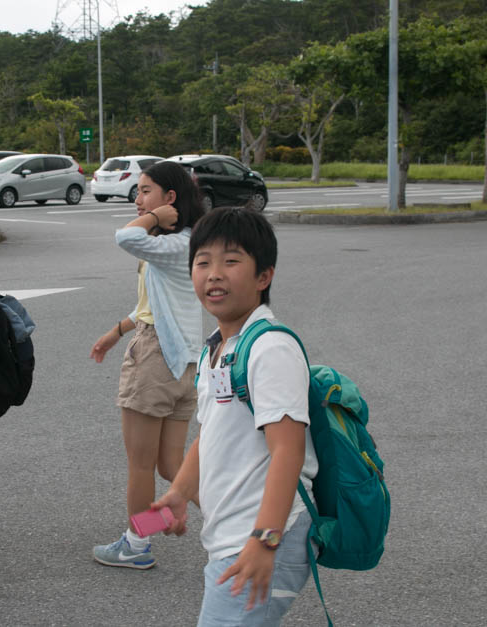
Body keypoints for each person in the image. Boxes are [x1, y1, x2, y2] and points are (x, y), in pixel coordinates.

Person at [152, 207, 319, 625]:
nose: (214, 274)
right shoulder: (221, 346)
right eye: (203, 262)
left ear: (264, 276)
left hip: (262, 534)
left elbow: (288, 452)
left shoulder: (271, 348)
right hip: (232, 535)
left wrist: (265, 542)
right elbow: (211, 434)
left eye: (231, 261)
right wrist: (179, 492)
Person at [89, 160, 204, 569]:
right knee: (171, 464)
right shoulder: (189, 243)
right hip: (185, 364)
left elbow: (124, 237)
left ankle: (137, 545)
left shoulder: (173, 244)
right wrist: (117, 330)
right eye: (138, 192)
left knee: (140, 465)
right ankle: (237, 523)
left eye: (145, 191)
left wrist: (155, 217)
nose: (138, 200)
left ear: (170, 199)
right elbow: (157, 307)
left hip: (156, 359)